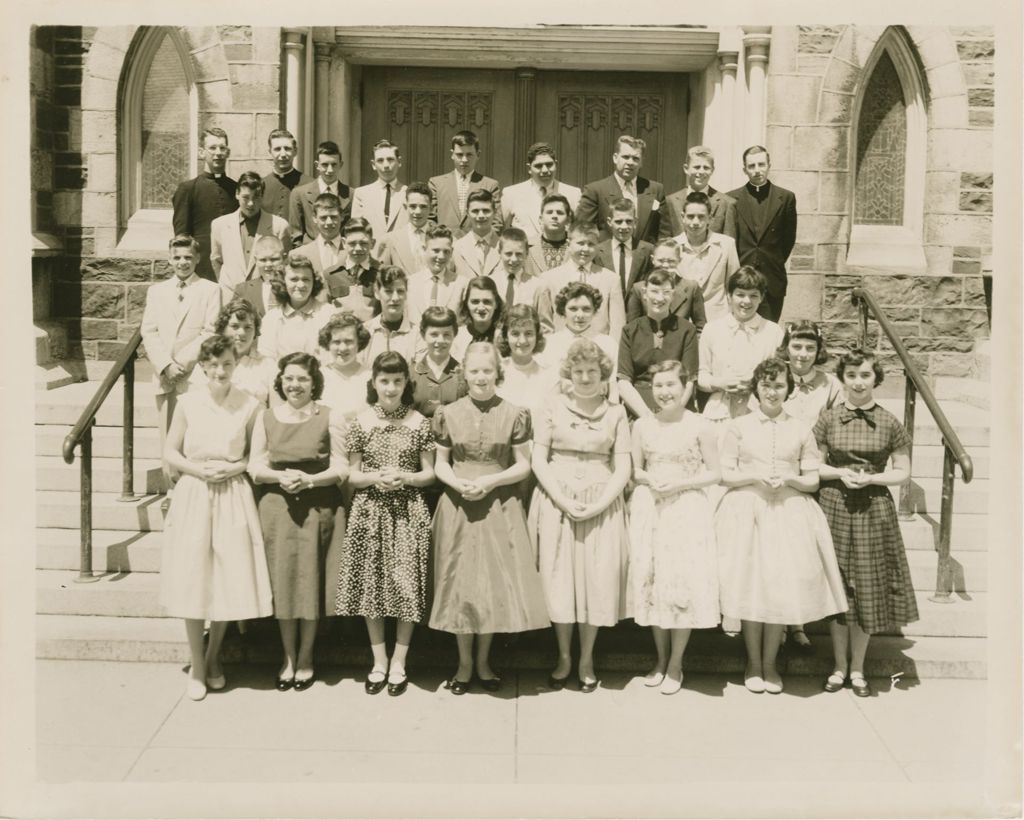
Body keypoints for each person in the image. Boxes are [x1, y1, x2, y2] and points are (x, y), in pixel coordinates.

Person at [716, 356, 847, 695]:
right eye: (766, 385)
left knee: (776, 586)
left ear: (788, 389)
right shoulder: (738, 426)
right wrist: (753, 476)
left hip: (788, 510)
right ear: (755, 389)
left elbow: (813, 480)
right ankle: (753, 663)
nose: (772, 392)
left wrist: (790, 478)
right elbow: (726, 473)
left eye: (779, 385)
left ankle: (770, 663)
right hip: (748, 509)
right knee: (751, 585)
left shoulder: (800, 427)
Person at [429, 342, 550, 694]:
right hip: (459, 504)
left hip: (498, 504)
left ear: (498, 372)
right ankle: (464, 664)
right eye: (474, 371)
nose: (481, 377)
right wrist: (459, 483)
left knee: (492, 585)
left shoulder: (515, 413)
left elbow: (523, 465)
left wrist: (490, 480)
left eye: (487, 371)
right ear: (464, 374)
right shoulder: (447, 413)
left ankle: (484, 662)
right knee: (461, 586)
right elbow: (440, 464)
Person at [159, 334, 273, 700]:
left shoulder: (250, 405)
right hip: (195, 491)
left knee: (227, 576)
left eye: (227, 363)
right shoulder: (188, 403)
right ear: (203, 366)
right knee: (194, 577)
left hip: (231, 493)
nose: (220, 370)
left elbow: (256, 458)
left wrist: (232, 468)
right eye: (213, 364)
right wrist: (196, 469)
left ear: (235, 365)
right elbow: (170, 452)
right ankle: (196, 663)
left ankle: (213, 656)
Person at [529, 338, 631, 692]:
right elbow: (538, 459)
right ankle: (564, 656)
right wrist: (561, 499)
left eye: (592, 371)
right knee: (560, 581)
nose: (585, 377)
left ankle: (586, 657)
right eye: (578, 371)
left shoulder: (616, 413)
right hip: (558, 501)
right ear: (568, 373)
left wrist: (602, 502)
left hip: (600, 502)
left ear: (603, 374)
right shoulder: (551, 406)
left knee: (595, 581)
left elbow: (623, 465)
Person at [814, 349, 916, 698]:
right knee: (839, 585)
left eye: (866, 375)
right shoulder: (828, 419)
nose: (858, 382)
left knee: (867, 587)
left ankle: (857, 667)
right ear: (842, 379)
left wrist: (873, 480)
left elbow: (903, 472)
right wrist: (841, 472)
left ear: (876, 379)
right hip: (834, 505)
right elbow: (813, 465)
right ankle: (838, 665)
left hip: (873, 508)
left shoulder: (889, 422)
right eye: (852, 375)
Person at [334, 352, 436, 697]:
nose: (391, 388)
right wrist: (375, 477)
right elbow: (352, 474)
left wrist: (406, 477)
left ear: (407, 383)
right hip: (371, 513)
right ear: (373, 383)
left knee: (406, 586)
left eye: (397, 381)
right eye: (384, 381)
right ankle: (379, 660)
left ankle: (399, 662)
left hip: (408, 513)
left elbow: (430, 473)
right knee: (372, 589)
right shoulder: (361, 422)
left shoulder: (419, 422)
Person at [248, 352, 348, 692]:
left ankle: (306, 656)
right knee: (285, 582)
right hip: (277, 508)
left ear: (314, 382)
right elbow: (255, 466)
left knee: (310, 582)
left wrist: (309, 481)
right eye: (289, 378)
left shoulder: (330, 417)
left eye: (302, 379)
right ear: (280, 381)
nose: (295, 385)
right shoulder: (266, 418)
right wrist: (280, 477)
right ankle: (287, 656)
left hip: (318, 507)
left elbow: (341, 467)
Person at [628, 360, 721, 695]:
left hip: (685, 509)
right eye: (658, 386)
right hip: (650, 506)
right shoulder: (642, 425)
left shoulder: (701, 425)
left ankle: (676, 663)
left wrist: (682, 484)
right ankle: (660, 657)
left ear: (686, 388)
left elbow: (715, 472)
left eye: (671, 385)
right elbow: (635, 469)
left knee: (680, 582)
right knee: (654, 582)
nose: (664, 392)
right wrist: (650, 478)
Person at [778, 319, 843, 652]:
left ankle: (799, 623)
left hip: (812, 473)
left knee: (803, 552)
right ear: (786, 348)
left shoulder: (830, 385)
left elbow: (837, 426)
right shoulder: (776, 377)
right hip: (780, 472)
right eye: (796, 347)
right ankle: (778, 621)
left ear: (818, 351)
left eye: (809, 348)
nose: (802, 354)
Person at [140, 235, 222, 492]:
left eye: (188, 257)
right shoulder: (157, 291)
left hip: (192, 373)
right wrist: (166, 365)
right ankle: (171, 490)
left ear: (197, 258)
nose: (183, 262)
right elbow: (149, 331)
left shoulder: (210, 290)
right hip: (165, 374)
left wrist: (181, 363)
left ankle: (193, 489)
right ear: (169, 259)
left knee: (193, 434)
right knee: (167, 435)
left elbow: (210, 330)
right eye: (177, 257)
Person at [698, 267, 784, 428]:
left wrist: (756, 383)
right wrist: (720, 383)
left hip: (759, 412)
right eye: (740, 294)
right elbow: (702, 376)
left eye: (753, 296)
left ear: (762, 298)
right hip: (719, 413)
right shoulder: (712, 330)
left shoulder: (773, 332)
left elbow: (782, 377)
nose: (746, 301)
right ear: (729, 296)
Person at [727, 145, 797, 322]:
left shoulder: (786, 198)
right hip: (741, 278)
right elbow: (730, 240)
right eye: (751, 166)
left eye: (761, 164)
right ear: (745, 169)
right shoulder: (731, 199)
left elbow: (788, 240)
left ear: (769, 165)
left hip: (772, 280)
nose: (757, 170)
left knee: (768, 335)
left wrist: (772, 260)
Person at [617, 269, 699, 420]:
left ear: (673, 295)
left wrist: (671, 415)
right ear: (644, 293)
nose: (660, 298)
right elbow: (623, 381)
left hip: (677, 407)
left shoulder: (687, 329)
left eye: (666, 292)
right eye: (654, 291)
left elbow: (689, 381)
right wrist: (647, 417)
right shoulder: (630, 330)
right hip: (639, 409)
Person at [210, 170, 291, 299]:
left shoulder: (279, 226)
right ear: (237, 194)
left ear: (262, 196)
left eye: (256, 197)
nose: (251, 203)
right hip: (229, 296)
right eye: (246, 197)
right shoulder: (219, 225)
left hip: (265, 297)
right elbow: (216, 259)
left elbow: (284, 264)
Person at [172, 127, 237, 281]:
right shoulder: (188, 189)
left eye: (222, 148)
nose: (218, 153)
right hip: (201, 267)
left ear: (227, 153)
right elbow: (182, 236)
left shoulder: (236, 189)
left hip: (232, 265)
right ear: (201, 152)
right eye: (212, 148)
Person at [541, 220, 626, 340]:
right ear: (569, 244)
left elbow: (618, 325)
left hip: (598, 349)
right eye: (580, 243)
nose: (585, 249)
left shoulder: (611, 280)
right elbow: (545, 324)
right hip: (561, 348)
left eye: (591, 244)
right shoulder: (549, 279)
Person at [576, 135, 665, 244]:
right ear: (615, 158)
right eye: (625, 157)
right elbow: (583, 230)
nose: (630, 162)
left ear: (641, 162)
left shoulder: (655, 189)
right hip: (606, 258)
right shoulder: (595, 191)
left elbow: (663, 233)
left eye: (635, 158)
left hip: (645, 258)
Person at [189, 297, 278, 407]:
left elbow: (275, 412)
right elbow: (191, 407)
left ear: (256, 330)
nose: (241, 332)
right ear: (223, 328)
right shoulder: (208, 361)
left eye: (248, 327)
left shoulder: (268, 365)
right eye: (235, 326)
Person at [672, 191, 740, 322]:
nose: (696, 222)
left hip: (718, 320)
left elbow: (734, 286)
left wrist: (732, 318)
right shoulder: (672, 246)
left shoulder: (726, 244)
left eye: (701, 217)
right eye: (690, 216)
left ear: (710, 218)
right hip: (682, 322)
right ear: (682, 217)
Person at [257, 255, 334, 360]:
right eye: (294, 279)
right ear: (283, 282)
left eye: (306, 279)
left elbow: (332, 356)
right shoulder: (272, 318)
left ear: (314, 282)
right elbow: (266, 357)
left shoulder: (329, 314)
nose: (301, 285)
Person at [501, 142, 581, 243]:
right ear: (529, 169)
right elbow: (504, 231)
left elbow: (578, 231)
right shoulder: (511, 193)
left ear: (556, 164)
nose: (545, 170)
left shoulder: (573, 194)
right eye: (538, 166)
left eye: (549, 164)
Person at [428, 130, 502, 236]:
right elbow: (430, 220)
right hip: (445, 246)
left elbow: (496, 223)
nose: (464, 159)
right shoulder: (436, 183)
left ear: (478, 154)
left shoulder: (490, 185)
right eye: (459, 154)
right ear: (452, 154)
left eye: (469, 155)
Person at [624, 239, 707, 332]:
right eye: (661, 260)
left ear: (679, 260)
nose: (666, 265)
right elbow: (632, 328)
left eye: (671, 261)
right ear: (652, 260)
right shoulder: (638, 289)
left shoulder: (692, 288)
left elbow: (701, 328)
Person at [542, 282, 619, 382]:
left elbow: (612, 384)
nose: (580, 315)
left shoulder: (607, 343)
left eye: (586, 309)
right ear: (563, 311)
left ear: (594, 311)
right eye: (573, 309)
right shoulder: (549, 344)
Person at [659, 145, 737, 241]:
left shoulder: (726, 203)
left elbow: (728, 243)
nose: (701, 171)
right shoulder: (670, 202)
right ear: (686, 168)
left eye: (706, 168)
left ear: (712, 170)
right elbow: (664, 240)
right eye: (697, 167)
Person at [496, 304, 557, 420]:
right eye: (515, 334)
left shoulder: (549, 375)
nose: (522, 340)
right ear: (505, 336)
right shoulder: (496, 372)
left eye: (528, 333)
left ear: (537, 336)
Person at [489, 227, 555, 335]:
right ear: (499, 252)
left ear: (527, 253)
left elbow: (546, 328)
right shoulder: (491, 283)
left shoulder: (539, 287)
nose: (514, 259)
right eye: (508, 254)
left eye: (519, 254)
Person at [289, 140, 351, 246]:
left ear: (341, 165)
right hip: (309, 255)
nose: (330, 170)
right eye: (325, 165)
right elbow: (296, 234)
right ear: (317, 165)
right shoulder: (300, 194)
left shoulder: (351, 194)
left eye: (334, 164)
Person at [410, 307, 467, 419]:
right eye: (434, 334)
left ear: (454, 335)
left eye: (446, 334)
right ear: (423, 334)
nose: (440, 340)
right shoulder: (411, 373)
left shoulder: (463, 375)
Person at [289, 192, 350, 298]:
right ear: (314, 218)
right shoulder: (298, 254)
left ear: (342, 216)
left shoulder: (352, 251)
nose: (329, 222)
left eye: (334, 217)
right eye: (323, 217)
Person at [406, 224, 466, 328]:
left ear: (452, 252)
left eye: (446, 251)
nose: (441, 256)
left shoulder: (462, 284)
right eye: (436, 251)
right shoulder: (409, 283)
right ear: (424, 249)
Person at [362, 266, 423, 365]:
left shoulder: (417, 335)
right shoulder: (365, 332)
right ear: (377, 293)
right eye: (388, 291)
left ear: (406, 293)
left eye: (400, 291)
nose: (395, 298)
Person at [593, 198, 654, 299]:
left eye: (629, 221)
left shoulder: (648, 250)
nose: (624, 226)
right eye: (618, 221)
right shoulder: (598, 251)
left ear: (635, 222)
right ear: (609, 222)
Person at [351, 138, 408, 243]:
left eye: (390, 159)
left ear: (399, 162)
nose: (386, 165)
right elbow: (356, 230)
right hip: (372, 255)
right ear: (373, 164)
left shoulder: (408, 193)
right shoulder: (361, 194)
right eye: (380, 160)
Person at [318, 312, 372, 421]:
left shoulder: (370, 377)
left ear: (359, 342)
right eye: (336, 342)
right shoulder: (318, 376)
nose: (342, 348)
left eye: (349, 341)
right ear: (328, 344)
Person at [325, 217, 380, 322]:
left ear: (372, 243)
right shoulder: (330, 275)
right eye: (352, 243)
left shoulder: (382, 274)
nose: (358, 248)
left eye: (363, 243)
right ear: (344, 243)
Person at [377, 181, 434, 273]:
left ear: (431, 208)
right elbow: (382, 277)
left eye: (423, 207)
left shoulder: (442, 237)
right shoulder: (390, 240)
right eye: (413, 206)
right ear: (405, 206)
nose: (418, 211)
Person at [261, 128, 311, 220]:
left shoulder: (310, 184)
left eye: (287, 148)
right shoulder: (261, 185)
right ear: (270, 152)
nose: (283, 154)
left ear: (295, 151)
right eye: (277, 149)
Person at [451, 276, 504, 363]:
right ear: (466, 304)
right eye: (475, 302)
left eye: (487, 302)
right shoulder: (456, 338)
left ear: (496, 304)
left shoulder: (504, 337)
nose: (481, 308)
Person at [451, 189, 502, 278]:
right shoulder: (456, 248)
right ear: (467, 213)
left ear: (494, 212)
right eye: (475, 211)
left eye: (486, 211)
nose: (481, 216)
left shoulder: (505, 247)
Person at [234, 235, 286, 319]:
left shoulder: (292, 286)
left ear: (283, 258)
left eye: (274, 259)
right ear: (256, 260)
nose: (268, 264)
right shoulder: (243, 290)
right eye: (263, 260)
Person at [525, 193, 574, 276]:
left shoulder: (576, 246)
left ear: (568, 220)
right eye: (549, 212)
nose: (554, 216)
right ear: (541, 219)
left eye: (559, 213)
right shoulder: (526, 246)